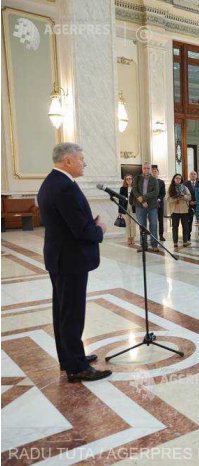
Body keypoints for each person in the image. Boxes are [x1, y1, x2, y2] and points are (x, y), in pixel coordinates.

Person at [37, 143, 111, 382]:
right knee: (72, 313)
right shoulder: (65, 187)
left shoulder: (50, 182)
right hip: (70, 260)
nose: (84, 163)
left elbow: (67, 222)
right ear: (67, 161)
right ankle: (76, 367)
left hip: (60, 256)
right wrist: (98, 229)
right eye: (80, 159)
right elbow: (80, 229)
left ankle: (69, 357)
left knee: (62, 311)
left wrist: (88, 224)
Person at [132, 161, 160, 253]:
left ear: (150, 169)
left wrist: (143, 198)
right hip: (140, 205)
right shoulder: (137, 178)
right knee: (142, 226)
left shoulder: (154, 179)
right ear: (142, 169)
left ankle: (154, 245)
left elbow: (155, 192)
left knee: (154, 225)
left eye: (148, 168)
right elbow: (134, 190)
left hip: (152, 206)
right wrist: (142, 201)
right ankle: (143, 245)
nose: (146, 170)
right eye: (144, 168)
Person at [167, 173, 191, 248]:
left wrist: (184, 196)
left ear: (181, 180)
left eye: (179, 178)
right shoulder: (170, 188)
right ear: (174, 179)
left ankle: (185, 241)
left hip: (184, 210)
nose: (178, 179)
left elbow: (189, 197)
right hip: (174, 211)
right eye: (177, 178)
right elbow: (168, 199)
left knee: (185, 227)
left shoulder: (185, 188)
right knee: (175, 227)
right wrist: (176, 198)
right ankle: (175, 242)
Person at [119, 174, 136, 245]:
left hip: (133, 207)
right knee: (127, 223)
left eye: (130, 179)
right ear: (125, 180)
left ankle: (133, 237)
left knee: (133, 223)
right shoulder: (122, 189)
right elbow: (120, 200)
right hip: (125, 207)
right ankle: (128, 238)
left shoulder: (135, 188)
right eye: (127, 179)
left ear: (132, 180)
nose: (129, 180)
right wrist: (119, 211)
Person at [152, 166, 166, 241]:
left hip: (160, 204)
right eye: (153, 171)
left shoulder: (161, 182)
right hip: (152, 204)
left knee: (161, 220)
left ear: (158, 172)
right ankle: (153, 235)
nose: (154, 172)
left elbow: (163, 193)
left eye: (155, 171)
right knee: (153, 220)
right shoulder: (149, 182)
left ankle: (161, 235)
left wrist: (159, 199)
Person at [183, 170, 198, 245]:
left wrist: (196, 202)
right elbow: (184, 194)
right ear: (189, 175)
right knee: (189, 221)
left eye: (194, 174)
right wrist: (190, 202)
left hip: (198, 205)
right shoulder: (185, 184)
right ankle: (188, 237)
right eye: (191, 174)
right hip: (188, 205)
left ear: (196, 176)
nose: (193, 175)